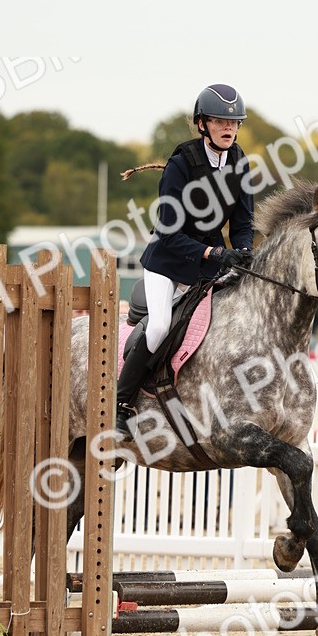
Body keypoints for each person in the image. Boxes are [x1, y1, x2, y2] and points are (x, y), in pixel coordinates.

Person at [116, 83, 255, 437]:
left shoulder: (240, 164)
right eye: (219, 121)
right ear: (201, 124)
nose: (228, 128)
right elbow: (168, 230)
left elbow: (242, 223)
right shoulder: (181, 164)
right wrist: (214, 252)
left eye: (234, 122)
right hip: (169, 260)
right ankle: (122, 403)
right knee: (161, 325)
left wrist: (242, 252)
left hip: (209, 263)